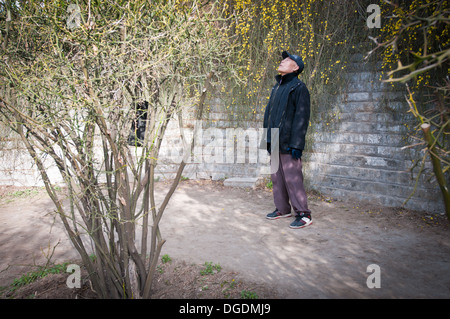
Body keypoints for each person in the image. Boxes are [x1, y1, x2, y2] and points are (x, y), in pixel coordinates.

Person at [263, 50, 312, 229]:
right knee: (276, 177)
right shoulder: (276, 88)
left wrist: (297, 144)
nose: (283, 61)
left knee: (292, 178)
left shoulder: (299, 88)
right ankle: (282, 208)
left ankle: (304, 214)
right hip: (275, 139)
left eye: (288, 60)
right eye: (283, 59)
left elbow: (302, 118)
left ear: (296, 67)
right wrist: (267, 139)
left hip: (289, 142)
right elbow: (268, 114)